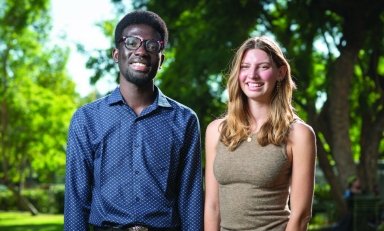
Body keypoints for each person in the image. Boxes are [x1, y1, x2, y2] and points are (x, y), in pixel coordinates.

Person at [64, 10, 204, 231]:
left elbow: (191, 198)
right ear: (116, 54)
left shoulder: (184, 120)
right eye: (131, 42)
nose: (141, 51)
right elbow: (76, 200)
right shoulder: (87, 119)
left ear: (161, 59)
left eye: (151, 45)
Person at [204, 35, 317, 231]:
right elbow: (213, 207)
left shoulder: (299, 134)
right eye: (245, 67)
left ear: (280, 72)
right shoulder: (216, 131)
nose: (252, 75)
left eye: (263, 67)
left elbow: (301, 215)